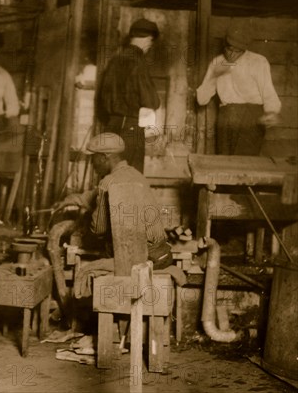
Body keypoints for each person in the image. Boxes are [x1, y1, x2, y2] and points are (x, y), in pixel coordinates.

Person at [53, 132, 171, 269]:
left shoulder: (107, 182)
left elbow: (98, 229)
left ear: (104, 157)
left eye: (93, 158)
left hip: (142, 259)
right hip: (162, 255)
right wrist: (71, 199)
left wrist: (85, 220)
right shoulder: (137, 175)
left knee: (86, 268)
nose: (92, 163)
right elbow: (93, 195)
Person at [196, 24, 281, 155]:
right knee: (225, 161)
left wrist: (271, 112)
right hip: (226, 117)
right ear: (225, 44)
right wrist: (214, 76)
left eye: (238, 50)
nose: (232, 54)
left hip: (251, 118)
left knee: (246, 163)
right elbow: (201, 100)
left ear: (245, 48)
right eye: (230, 49)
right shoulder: (217, 62)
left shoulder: (258, 61)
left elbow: (268, 91)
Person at [97, 18, 161, 173]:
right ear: (148, 40)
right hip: (130, 129)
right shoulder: (139, 62)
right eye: (151, 42)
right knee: (131, 177)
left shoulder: (115, 61)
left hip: (111, 126)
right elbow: (151, 100)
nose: (150, 46)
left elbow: (104, 100)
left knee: (110, 176)